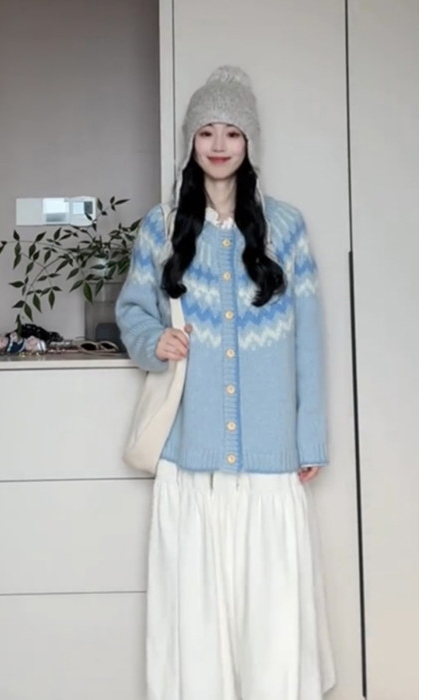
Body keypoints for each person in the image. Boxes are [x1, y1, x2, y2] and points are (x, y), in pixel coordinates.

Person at [115, 66, 335, 700]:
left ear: (249, 143)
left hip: (269, 453)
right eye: (206, 131)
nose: (218, 145)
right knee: (197, 622)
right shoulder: (161, 227)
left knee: (272, 618)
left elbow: (308, 337)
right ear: (191, 140)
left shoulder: (285, 228)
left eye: (232, 132)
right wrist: (154, 342)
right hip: (193, 454)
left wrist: (310, 436)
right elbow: (133, 309)